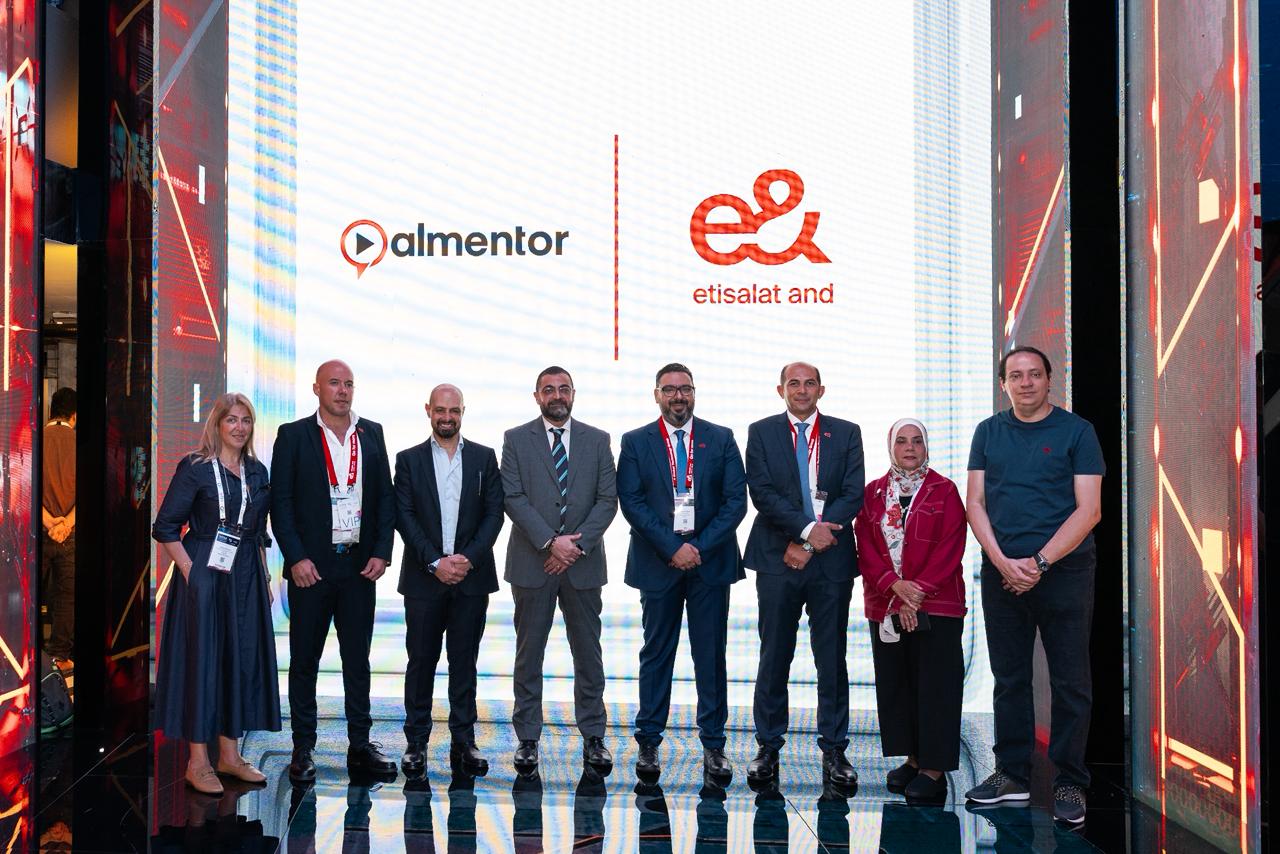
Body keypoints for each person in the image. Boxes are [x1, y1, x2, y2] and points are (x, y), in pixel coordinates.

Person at [963, 346, 1104, 825]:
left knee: (1070, 681)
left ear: (1048, 379)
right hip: (1002, 573)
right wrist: (1003, 562)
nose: (1025, 383)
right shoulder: (987, 432)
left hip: (1065, 573)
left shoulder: (1077, 432)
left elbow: (1090, 510)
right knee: (1009, 679)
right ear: (1003, 383)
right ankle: (1012, 776)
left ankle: (1069, 781)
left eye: (1034, 374)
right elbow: (975, 502)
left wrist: (1039, 563)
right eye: (1016, 376)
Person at [616, 363, 747, 780]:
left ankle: (714, 745)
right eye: (670, 389)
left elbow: (735, 502)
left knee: (711, 655)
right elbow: (631, 502)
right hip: (658, 562)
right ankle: (649, 742)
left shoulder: (721, 438)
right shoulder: (635, 441)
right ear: (657, 394)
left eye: (685, 389)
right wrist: (673, 547)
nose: (678, 396)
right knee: (656, 654)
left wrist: (697, 548)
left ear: (694, 392)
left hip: (710, 562)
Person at [271, 359, 397, 784]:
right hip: (311, 569)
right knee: (304, 661)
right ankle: (303, 747)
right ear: (316, 388)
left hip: (359, 568)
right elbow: (281, 504)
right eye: (334, 383)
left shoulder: (372, 433)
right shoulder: (293, 436)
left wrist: (382, 553)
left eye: (348, 384)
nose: (342, 391)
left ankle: (360, 745)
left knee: (357, 660)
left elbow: (385, 499)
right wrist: (296, 558)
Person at [153, 392, 280, 795]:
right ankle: (198, 762)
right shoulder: (195, 467)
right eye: (232, 420)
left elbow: (258, 533)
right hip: (204, 571)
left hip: (245, 575)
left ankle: (230, 756)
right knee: (203, 661)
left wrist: (265, 578)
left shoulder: (257, 471)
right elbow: (165, 527)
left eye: (246, 420)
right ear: (218, 424)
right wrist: (190, 572)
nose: (240, 427)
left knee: (237, 660)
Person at [743, 362, 864, 786]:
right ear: (780, 390)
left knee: (831, 657)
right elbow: (763, 494)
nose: (801, 390)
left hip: (830, 560)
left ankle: (835, 749)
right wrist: (804, 531)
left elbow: (852, 494)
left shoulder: (846, 433)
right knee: (775, 654)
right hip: (777, 557)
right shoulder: (761, 432)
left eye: (809, 383)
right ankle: (768, 746)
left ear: (821, 390)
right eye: (793, 383)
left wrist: (812, 542)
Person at [501, 365, 619, 770]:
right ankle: (527, 738)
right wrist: (552, 543)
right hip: (533, 563)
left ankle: (594, 736)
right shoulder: (516, 439)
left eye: (563, 388)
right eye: (548, 389)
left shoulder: (598, 440)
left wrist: (575, 546)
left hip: (583, 565)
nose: (557, 395)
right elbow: (513, 497)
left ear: (573, 394)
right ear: (537, 396)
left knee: (588, 654)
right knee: (528, 654)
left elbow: (607, 500)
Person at [394, 384, 504, 778]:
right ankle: (416, 742)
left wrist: (467, 559)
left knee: (464, 663)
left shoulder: (484, 457)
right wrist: (435, 562)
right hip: (424, 580)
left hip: (471, 579)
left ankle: (464, 740)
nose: (447, 417)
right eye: (440, 410)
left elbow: (494, 514)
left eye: (453, 411)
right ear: (428, 410)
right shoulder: (408, 460)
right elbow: (404, 516)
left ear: (462, 412)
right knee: (420, 663)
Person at [854, 418, 967, 801]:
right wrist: (895, 587)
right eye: (902, 441)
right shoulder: (872, 494)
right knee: (898, 684)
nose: (910, 448)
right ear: (891, 447)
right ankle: (914, 759)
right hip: (886, 603)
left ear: (926, 446)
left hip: (937, 604)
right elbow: (866, 548)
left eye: (917, 441)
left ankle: (934, 769)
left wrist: (914, 593)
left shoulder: (944, 490)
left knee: (936, 684)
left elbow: (951, 546)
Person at [42, 387, 77, 675]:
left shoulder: (34, 438)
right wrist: (66, 523)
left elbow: (22, 488)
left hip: (38, 531)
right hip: (69, 533)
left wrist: (48, 522)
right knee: (66, 595)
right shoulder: (78, 442)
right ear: (74, 416)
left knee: (29, 593)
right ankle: (59, 656)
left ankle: (27, 654)